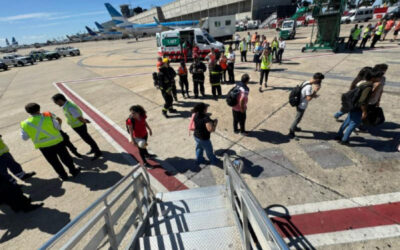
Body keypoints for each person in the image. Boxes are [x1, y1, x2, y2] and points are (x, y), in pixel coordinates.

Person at [21, 103, 80, 180]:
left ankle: (63, 176)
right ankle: (73, 171)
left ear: (27, 112)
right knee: (66, 158)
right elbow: (58, 127)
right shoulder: (48, 117)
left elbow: (24, 138)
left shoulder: (25, 123)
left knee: (54, 162)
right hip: (57, 142)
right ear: (39, 109)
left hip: (43, 147)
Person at [335, 70, 383, 145]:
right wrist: (364, 111)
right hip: (358, 108)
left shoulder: (362, 82)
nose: (380, 78)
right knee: (353, 124)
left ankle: (339, 135)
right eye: (379, 77)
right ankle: (344, 140)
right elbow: (362, 101)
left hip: (353, 105)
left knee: (347, 121)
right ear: (373, 78)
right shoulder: (368, 87)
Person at [52, 94, 102, 160]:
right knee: (86, 138)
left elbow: (79, 117)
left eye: (56, 102)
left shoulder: (69, 107)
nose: (56, 104)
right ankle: (93, 148)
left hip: (79, 126)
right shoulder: (66, 105)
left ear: (60, 100)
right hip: (76, 126)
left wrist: (85, 121)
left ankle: (98, 152)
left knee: (87, 138)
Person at [289, 73, 325, 139]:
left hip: (298, 101)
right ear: (316, 80)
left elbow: (305, 94)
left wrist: (313, 95)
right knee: (298, 118)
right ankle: (291, 131)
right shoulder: (309, 87)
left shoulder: (306, 82)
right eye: (320, 81)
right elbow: (308, 99)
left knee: (298, 116)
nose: (320, 82)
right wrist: (315, 91)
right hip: (302, 105)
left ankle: (295, 127)